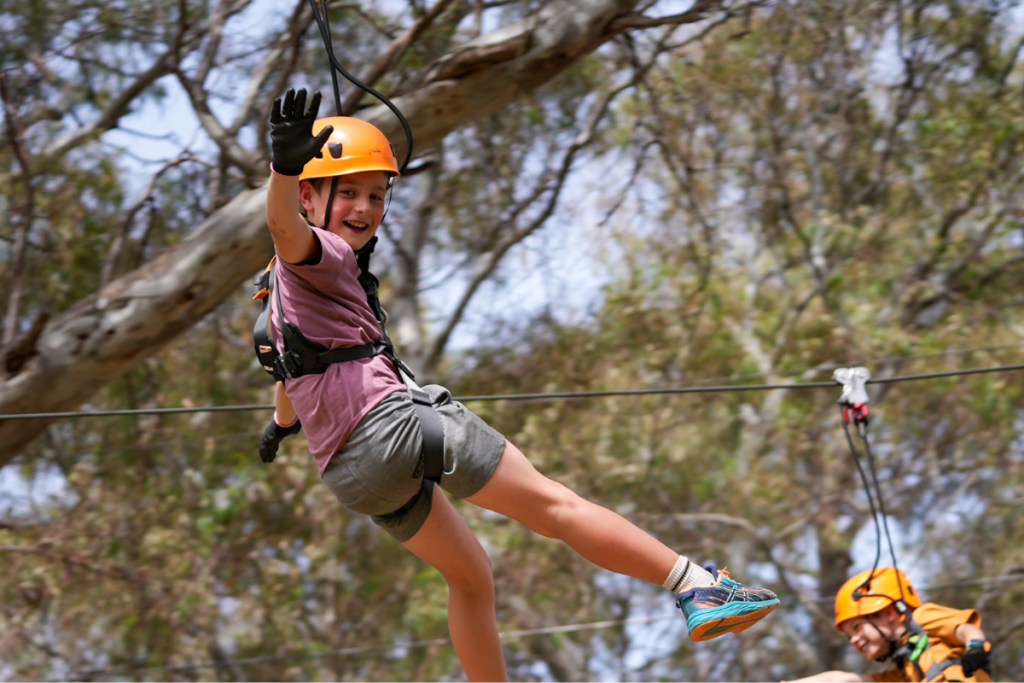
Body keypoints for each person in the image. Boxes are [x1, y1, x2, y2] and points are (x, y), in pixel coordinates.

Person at [256, 87, 780, 681]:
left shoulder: (275, 294)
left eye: (376, 194)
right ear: (308, 195)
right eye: (346, 191)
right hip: (392, 428)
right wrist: (283, 166)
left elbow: (291, 375)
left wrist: (279, 427)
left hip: (352, 476)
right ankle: (698, 586)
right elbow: (281, 225)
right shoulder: (313, 251)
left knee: (471, 577)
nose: (365, 207)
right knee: (555, 505)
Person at [792, 567, 993, 683]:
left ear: (888, 613)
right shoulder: (904, 672)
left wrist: (975, 647)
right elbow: (842, 680)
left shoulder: (922, 618)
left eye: (857, 627)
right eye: (848, 637)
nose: (853, 639)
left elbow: (965, 629)